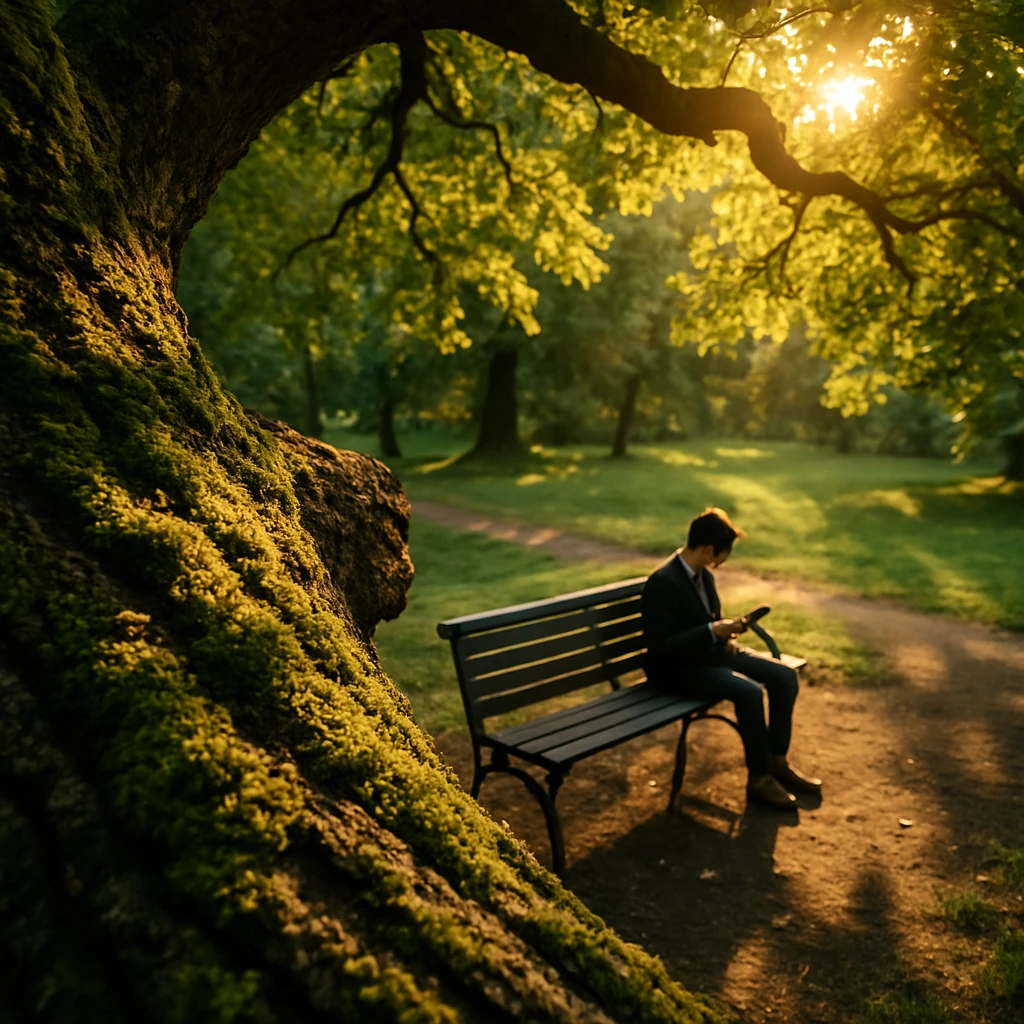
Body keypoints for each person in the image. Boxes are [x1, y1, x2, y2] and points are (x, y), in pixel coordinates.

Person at [641, 506, 821, 810]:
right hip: (679, 670)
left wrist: (726, 629)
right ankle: (759, 779)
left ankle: (777, 761)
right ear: (710, 549)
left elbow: (708, 622)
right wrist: (712, 630)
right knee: (749, 692)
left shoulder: (702, 576)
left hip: (714, 655)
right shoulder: (662, 582)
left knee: (784, 676)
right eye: (724, 553)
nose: (724, 561)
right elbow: (660, 647)